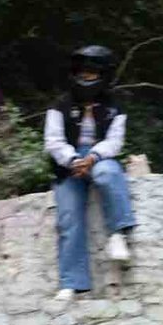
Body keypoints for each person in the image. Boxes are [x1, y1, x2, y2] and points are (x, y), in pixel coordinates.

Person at [43, 45, 136, 299]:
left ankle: (118, 234)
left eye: (92, 74)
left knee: (108, 174)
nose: (86, 77)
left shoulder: (115, 106)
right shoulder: (60, 105)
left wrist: (92, 157)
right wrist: (73, 160)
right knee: (69, 218)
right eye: (82, 73)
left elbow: (115, 142)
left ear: (103, 76)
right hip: (67, 165)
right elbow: (53, 141)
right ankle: (71, 282)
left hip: (100, 157)